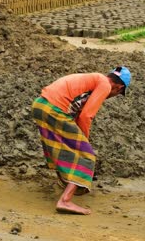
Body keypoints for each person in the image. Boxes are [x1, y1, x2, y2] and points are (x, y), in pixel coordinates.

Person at [31, 66, 131, 215]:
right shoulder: (104, 84)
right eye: (117, 93)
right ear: (119, 87)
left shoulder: (94, 79)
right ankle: (65, 200)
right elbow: (86, 116)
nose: (113, 95)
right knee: (86, 156)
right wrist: (85, 143)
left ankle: (65, 181)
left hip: (40, 105)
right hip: (55, 109)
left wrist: (80, 139)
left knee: (61, 147)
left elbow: (77, 116)